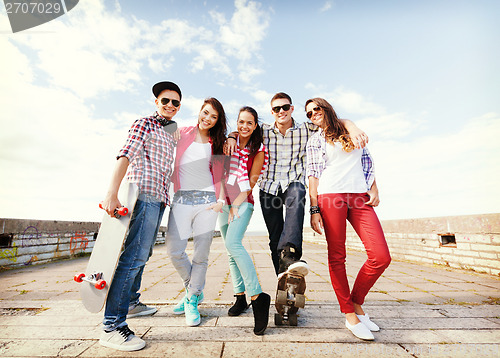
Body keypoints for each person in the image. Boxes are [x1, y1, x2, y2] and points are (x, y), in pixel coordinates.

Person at [227, 92, 368, 276]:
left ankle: (291, 253)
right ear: (272, 111)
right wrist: (231, 136)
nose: (281, 111)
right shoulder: (264, 131)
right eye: (277, 108)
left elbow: (332, 122)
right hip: (268, 188)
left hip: (293, 182)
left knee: (298, 192)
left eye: (285, 107)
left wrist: (352, 127)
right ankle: (283, 279)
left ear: (291, 109)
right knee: (274, 238)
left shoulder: (306, 129)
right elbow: (245, 130)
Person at [99, 81, 181, 351]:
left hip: (160, 198)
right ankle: (112, 325)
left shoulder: (171, 131)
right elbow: (125, 154)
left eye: (175, 102)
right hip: (143, 194)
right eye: (165, 100)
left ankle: (131, 303)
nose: (170, 105)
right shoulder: (145, 123)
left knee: (143, 255)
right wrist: (112, 194)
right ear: (156, 101)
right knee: (133, 257)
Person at [306, 97, 391, 341]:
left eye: (317, 109)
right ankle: (349, 313)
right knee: (337, 256)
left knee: (380, 256)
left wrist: (374, 188)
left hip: (358, 196)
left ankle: (356, 302)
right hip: (330, 196)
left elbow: (367, 161)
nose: (313, 115)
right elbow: (312, 175)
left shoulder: (351, 130)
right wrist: (314, 210)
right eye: (309, 114)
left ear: (327, 109)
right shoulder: (315, 140)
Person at [166, 97, 227, 327]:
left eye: (213, 117)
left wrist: (220, 200)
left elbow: (221, 174)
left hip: (208, 202)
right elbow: (163, 122)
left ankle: (192, 299)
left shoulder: (219, 142)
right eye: (206, 113)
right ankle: (195, 288)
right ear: (199, 111)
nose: (208, 119)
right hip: (181, 199)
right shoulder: (182, 132)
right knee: (174, 251)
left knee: (201, 255)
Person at [219, 106, 271, 335]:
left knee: (234, 244)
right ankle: (240, 298)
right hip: (223, 201)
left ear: (256, 125)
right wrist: (224, 202)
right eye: (241, 122)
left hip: (243, 201)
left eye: (249, 123)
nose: (244, 126)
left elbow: (251, 181)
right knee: (230, 252)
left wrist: (236, 204)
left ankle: (258, 296)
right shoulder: (228, 142)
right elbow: (219, 174)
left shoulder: (258, 149)